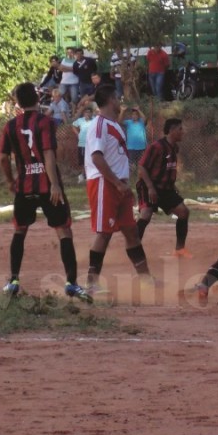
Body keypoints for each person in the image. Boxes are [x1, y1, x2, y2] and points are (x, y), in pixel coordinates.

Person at [0, 82, 90, 302]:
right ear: (38, 100)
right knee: (63, 232)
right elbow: (48, 153)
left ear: (17, 102)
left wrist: (11, 180)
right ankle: (71, 283)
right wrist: (55, 184)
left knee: (20, 231)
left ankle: (13, 281)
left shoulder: (10, 126)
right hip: (47, 187)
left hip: (25, 187)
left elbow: (2, 157)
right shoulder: (45, 122)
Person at [84, 85, 154, 295]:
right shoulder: (100, 125)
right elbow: (96, 158)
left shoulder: (112, 124)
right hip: (105, 183)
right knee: (104, 233)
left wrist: (123, 184)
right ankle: (91, 284)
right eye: (117, 98)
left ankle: (146, 280)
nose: (119, 102)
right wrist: (116, 183)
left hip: (118, 184)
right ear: (110, 100)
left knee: (131, 232)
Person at [135, 117, 191, 256]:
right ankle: (133, 248)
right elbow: (142, 167)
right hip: (148, 186)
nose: (182, 132)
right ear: (171, 130)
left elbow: (166, 168)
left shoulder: (174, 148)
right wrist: (151, 188)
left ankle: (180, 250)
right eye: (180, 129)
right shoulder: (157, 147)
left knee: (183, 212)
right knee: (146, 214)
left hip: (165, 189)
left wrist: (173, 184)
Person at [71, 102, 96, 183]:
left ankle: (91, 175)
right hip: (82, 144)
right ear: (84, 113)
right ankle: (83, 176)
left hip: (92, 144)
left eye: (89, 112)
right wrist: (77, 133)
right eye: (86, 112)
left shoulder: (95, 119)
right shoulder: (80, 120)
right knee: (82, 161)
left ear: (92, 113)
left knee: (92, 160)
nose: (87, 114)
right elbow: (73, 125)